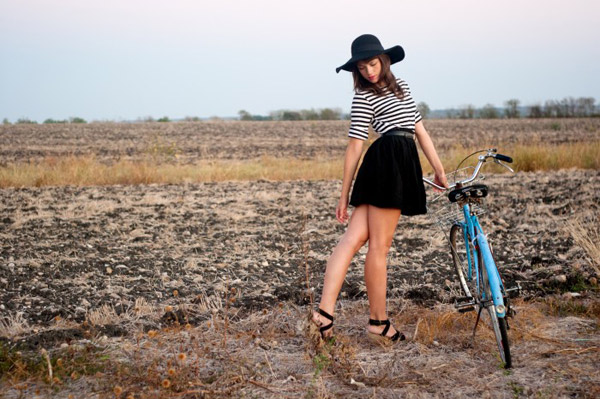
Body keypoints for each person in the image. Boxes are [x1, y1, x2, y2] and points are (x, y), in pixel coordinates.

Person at [310, 34, 448, 344]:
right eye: (362, 67)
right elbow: (355, 145)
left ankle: (324, 313)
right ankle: (378, 322)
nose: (369, 72)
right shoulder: (364, 96)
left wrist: (439, 170)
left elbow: (419, 130)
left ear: (384, 61)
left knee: (353, 239)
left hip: (395, 160)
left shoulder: (404, 88)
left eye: (372, 64)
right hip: (387, 163)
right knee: (379, 247)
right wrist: (343, 194)